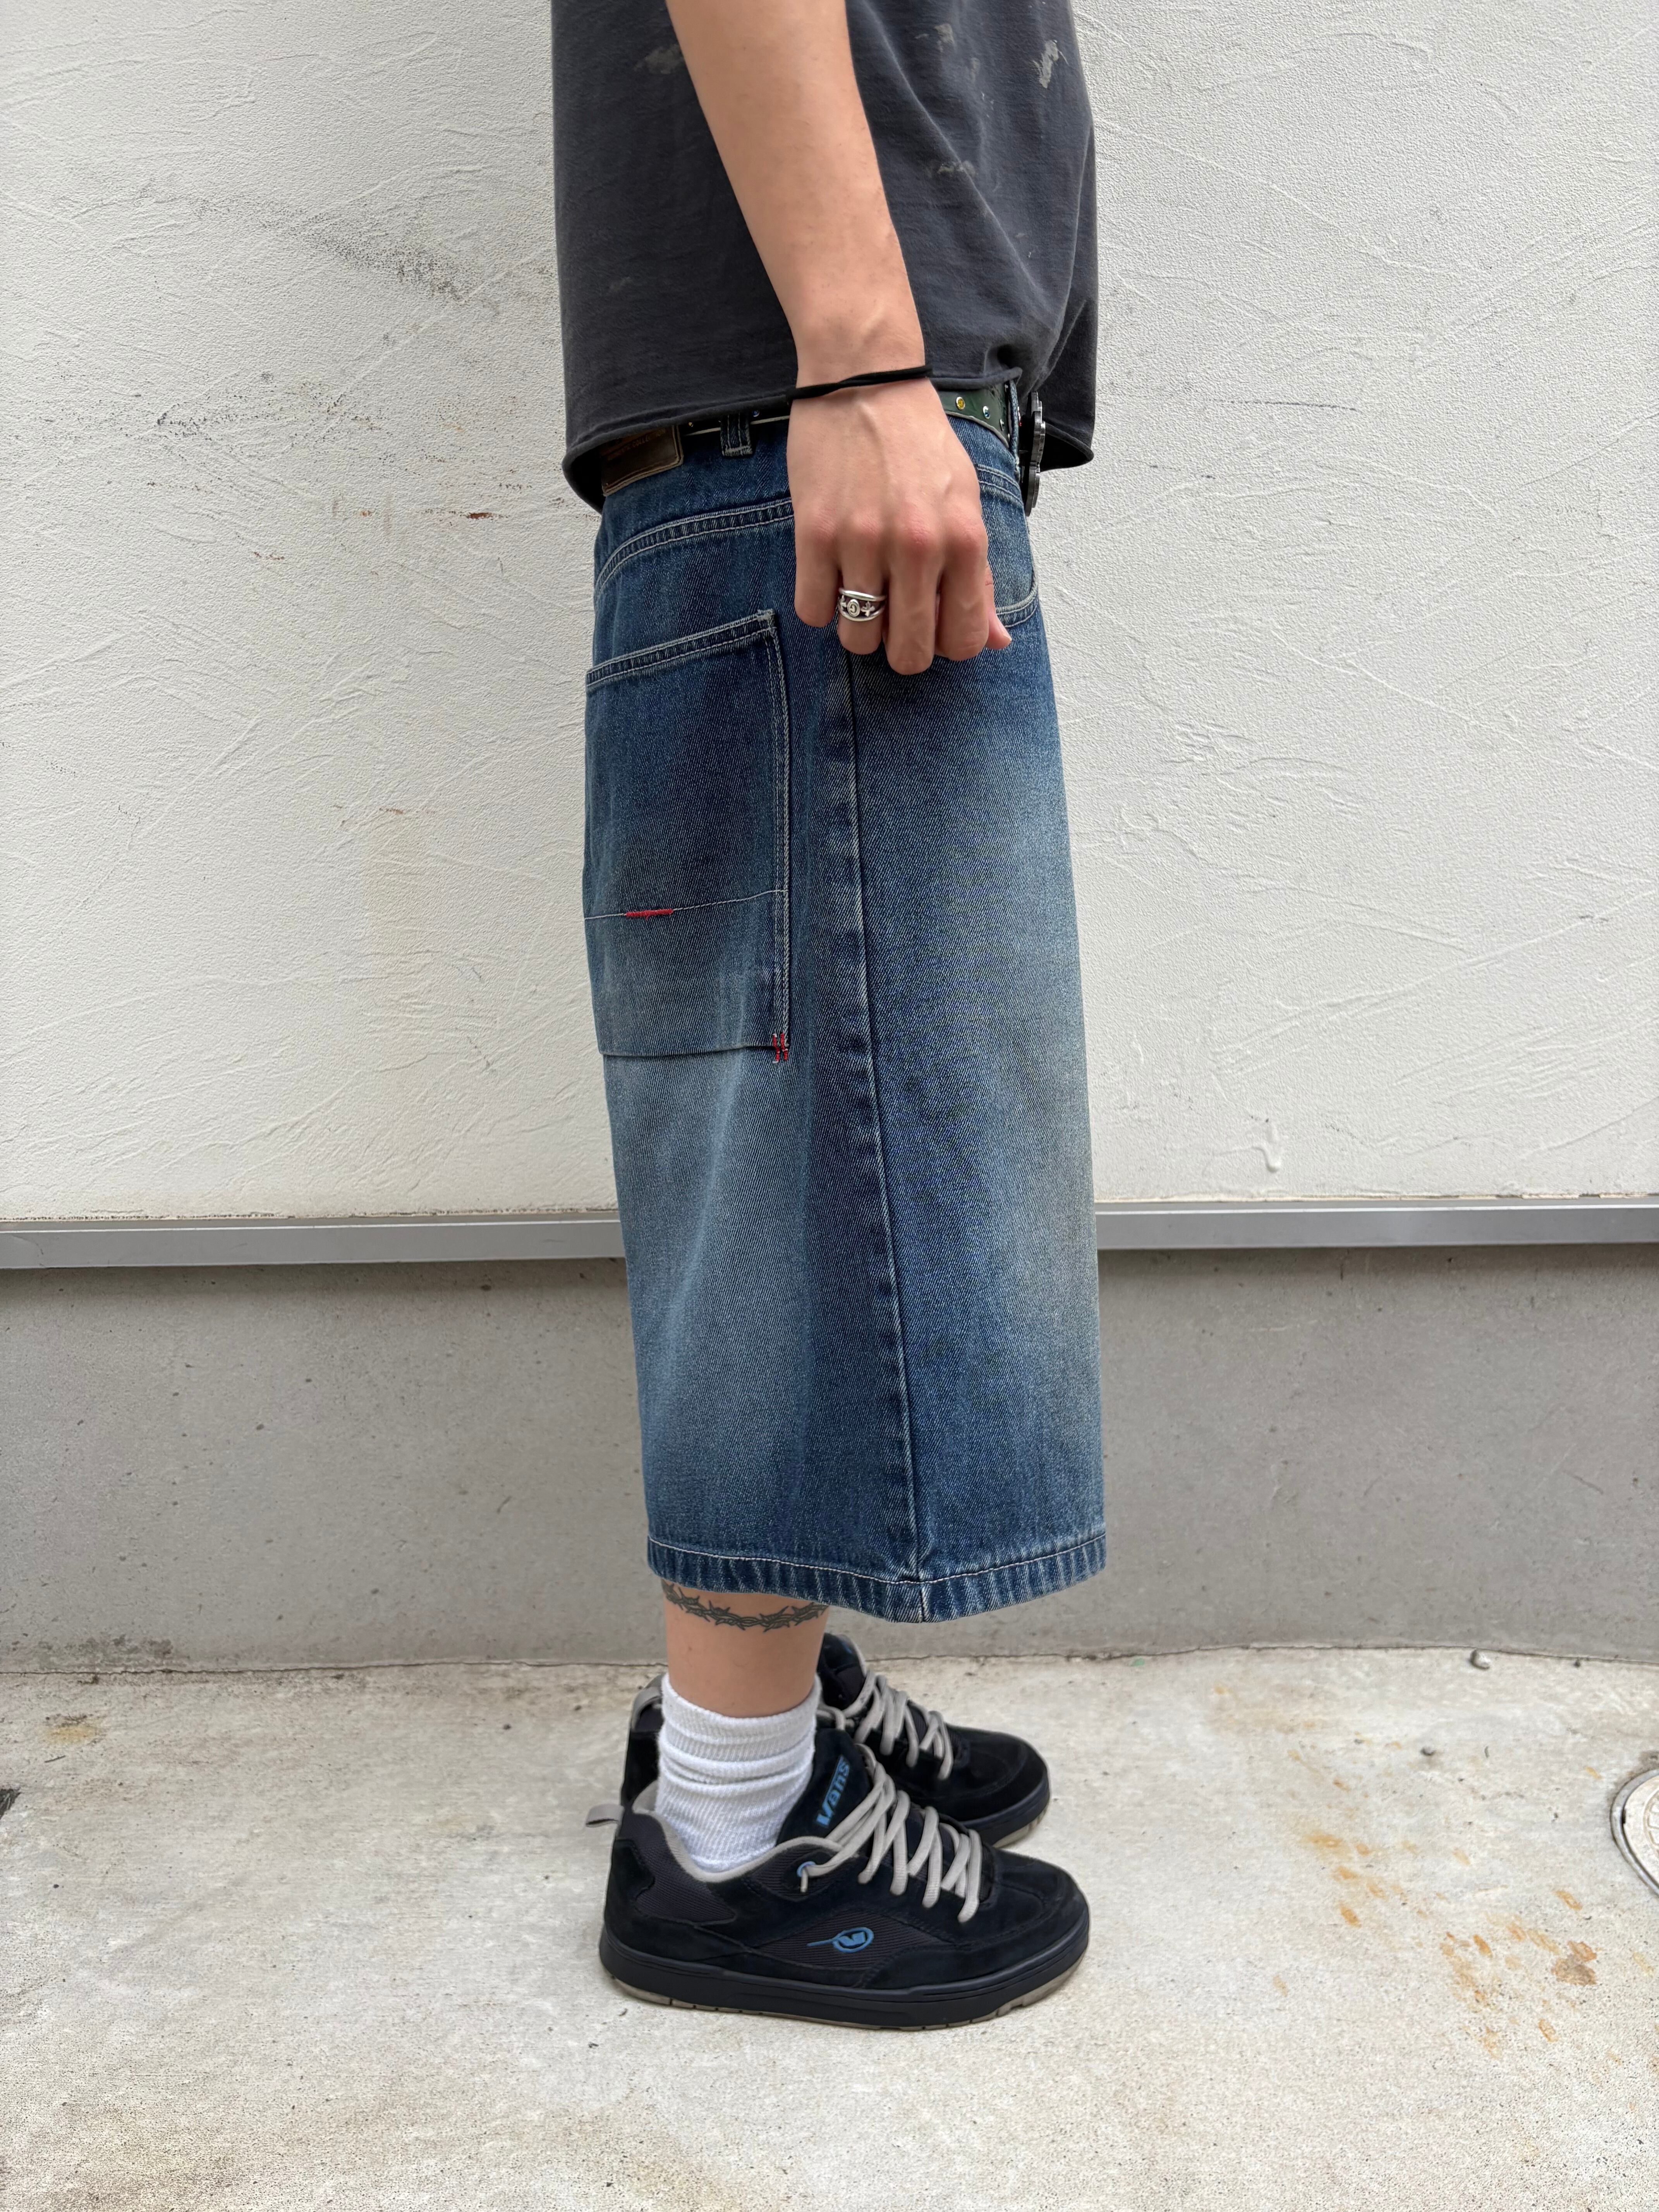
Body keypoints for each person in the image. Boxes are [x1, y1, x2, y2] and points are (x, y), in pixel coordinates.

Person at [551, 0, 1104, 2028]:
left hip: (823, 400)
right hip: (816, 398)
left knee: (844, 1111)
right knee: (805, 1146)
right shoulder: (835, 373)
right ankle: (730, 1827)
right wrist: (866, 357)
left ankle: (767, 1688)